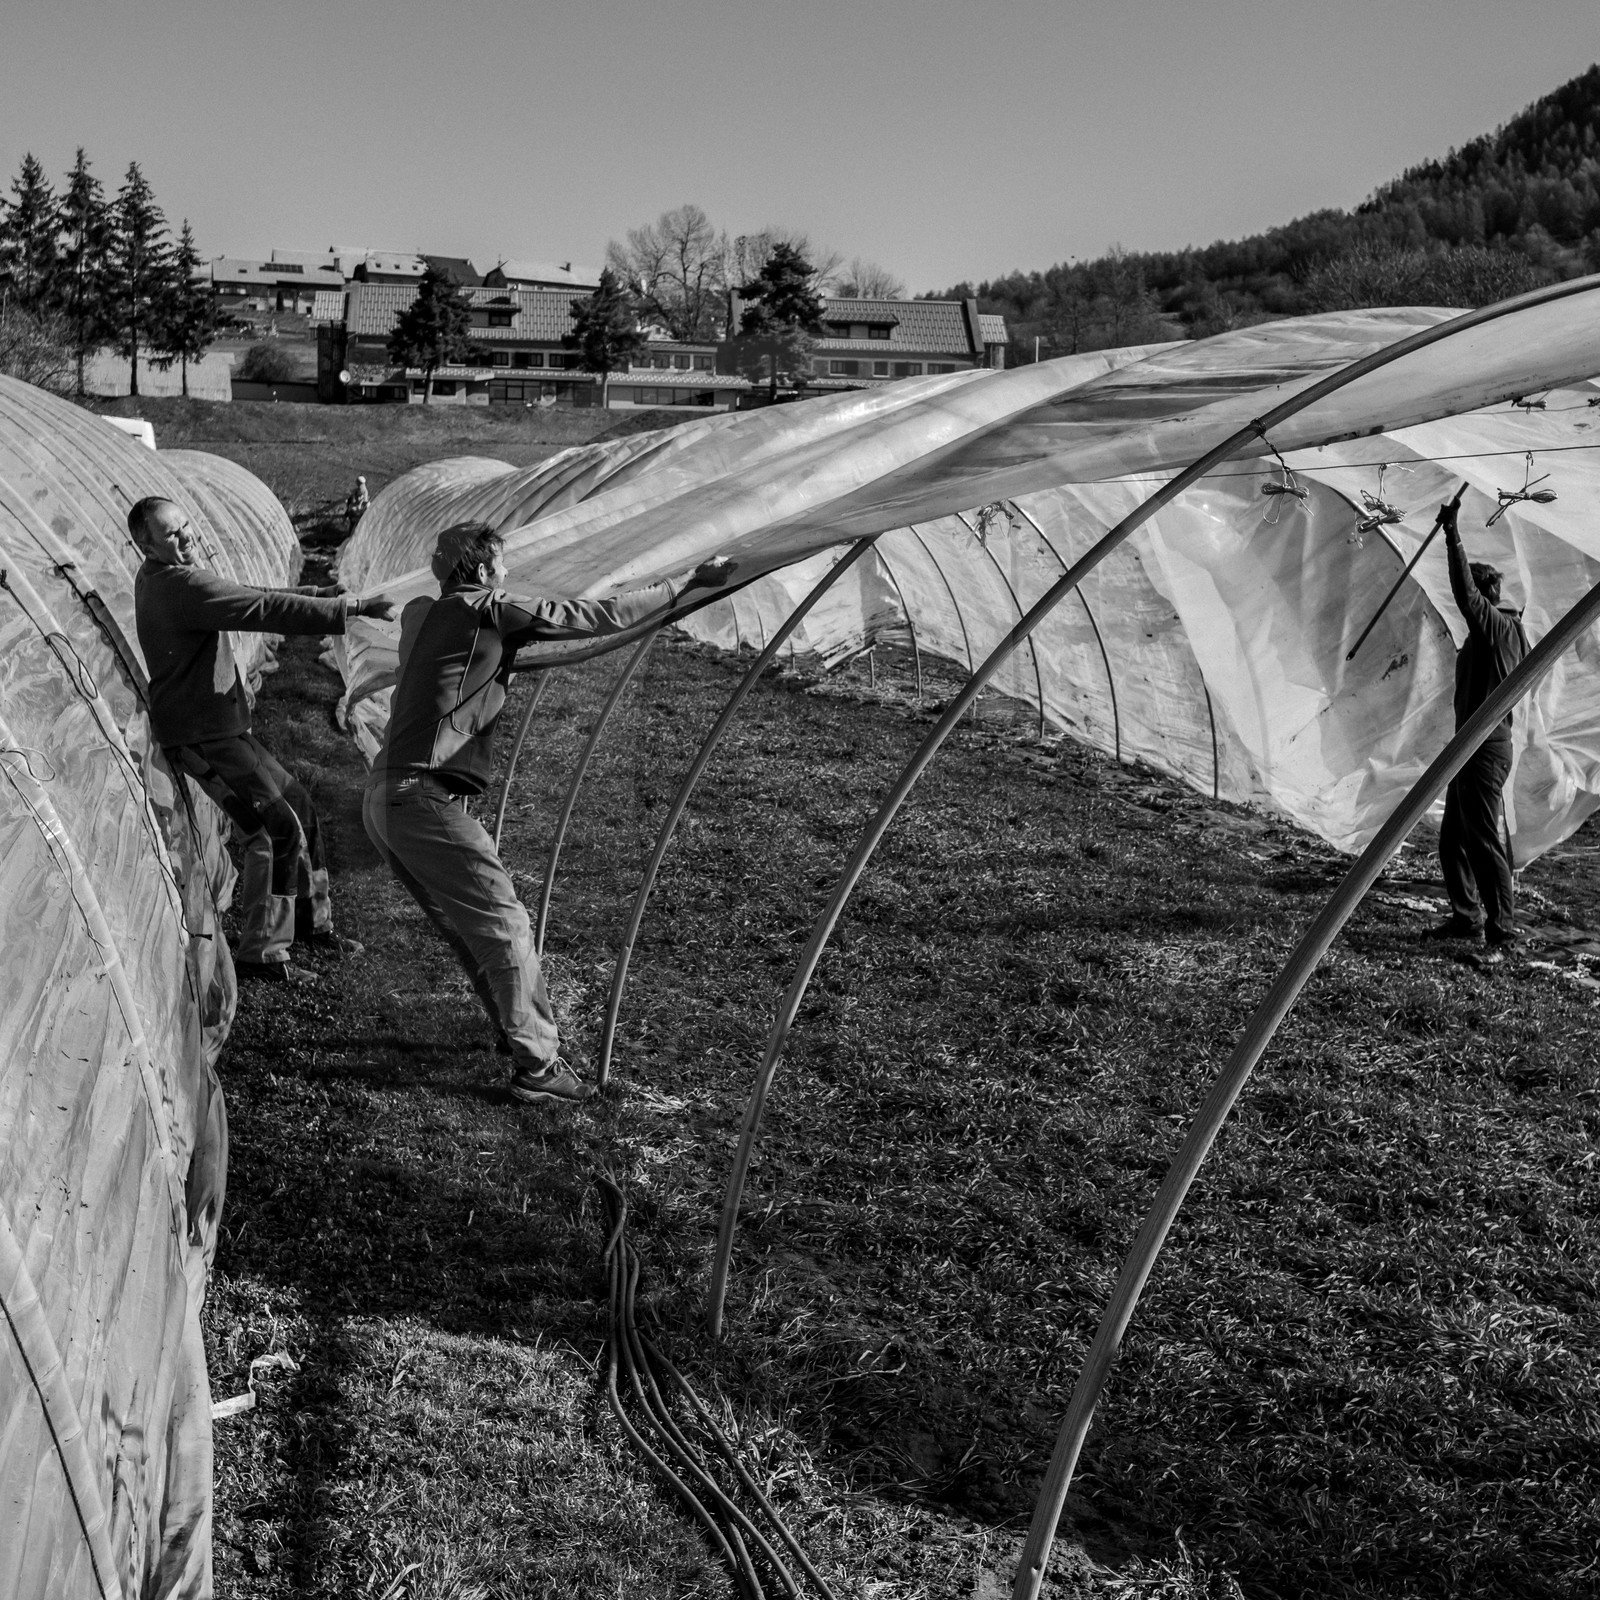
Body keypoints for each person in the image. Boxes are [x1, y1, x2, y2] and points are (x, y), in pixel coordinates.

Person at [362, 521, 736, 1106]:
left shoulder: (418, 615)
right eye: (502, 567)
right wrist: (686, 583)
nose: (506, 576)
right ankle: (537, 1068)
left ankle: (511, 1035)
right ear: (485, 572)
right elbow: (594, 615)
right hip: (419, 797)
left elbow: (458, 665)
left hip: (382, 795)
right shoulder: (493, 608)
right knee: (504, 924)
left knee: (469, 929)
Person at [129, 496, 397, 982]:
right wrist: (349, 607)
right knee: (272, 829)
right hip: (203, 736)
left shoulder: (166, 578)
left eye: (186, 525)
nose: (186, 537)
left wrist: (317, 592)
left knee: (300, 806)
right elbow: (261, 606)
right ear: (144, 543)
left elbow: (240, 592)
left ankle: (313, 923)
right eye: (170, 534)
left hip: (222, 728)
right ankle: (263, 952)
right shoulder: (178, 585)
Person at [1426, 496, 1527, 949]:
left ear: (1486, 597)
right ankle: (1466, 916)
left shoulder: (1498, 627)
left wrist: (1453, 534)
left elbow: (1465, 593)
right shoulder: (1495, 636)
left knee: (1483, 840)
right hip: (1470, 747)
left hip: (1484, 748)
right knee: (1454, 839)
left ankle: (1501, 930)